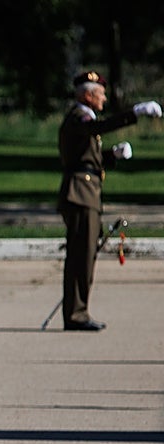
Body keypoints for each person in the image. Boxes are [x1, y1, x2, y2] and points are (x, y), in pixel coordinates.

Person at [56, 71, 161, 331]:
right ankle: (76, 314)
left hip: (86, 191)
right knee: (81, 255)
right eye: (101, 94)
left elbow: (86, 158)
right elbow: (97, 129)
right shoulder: (80, 117)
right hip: (80, 193)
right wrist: (134, 113)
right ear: (88, 95)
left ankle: (79, 311)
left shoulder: (83, 118)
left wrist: (111, 155)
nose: (104, 98)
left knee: (86, 253)